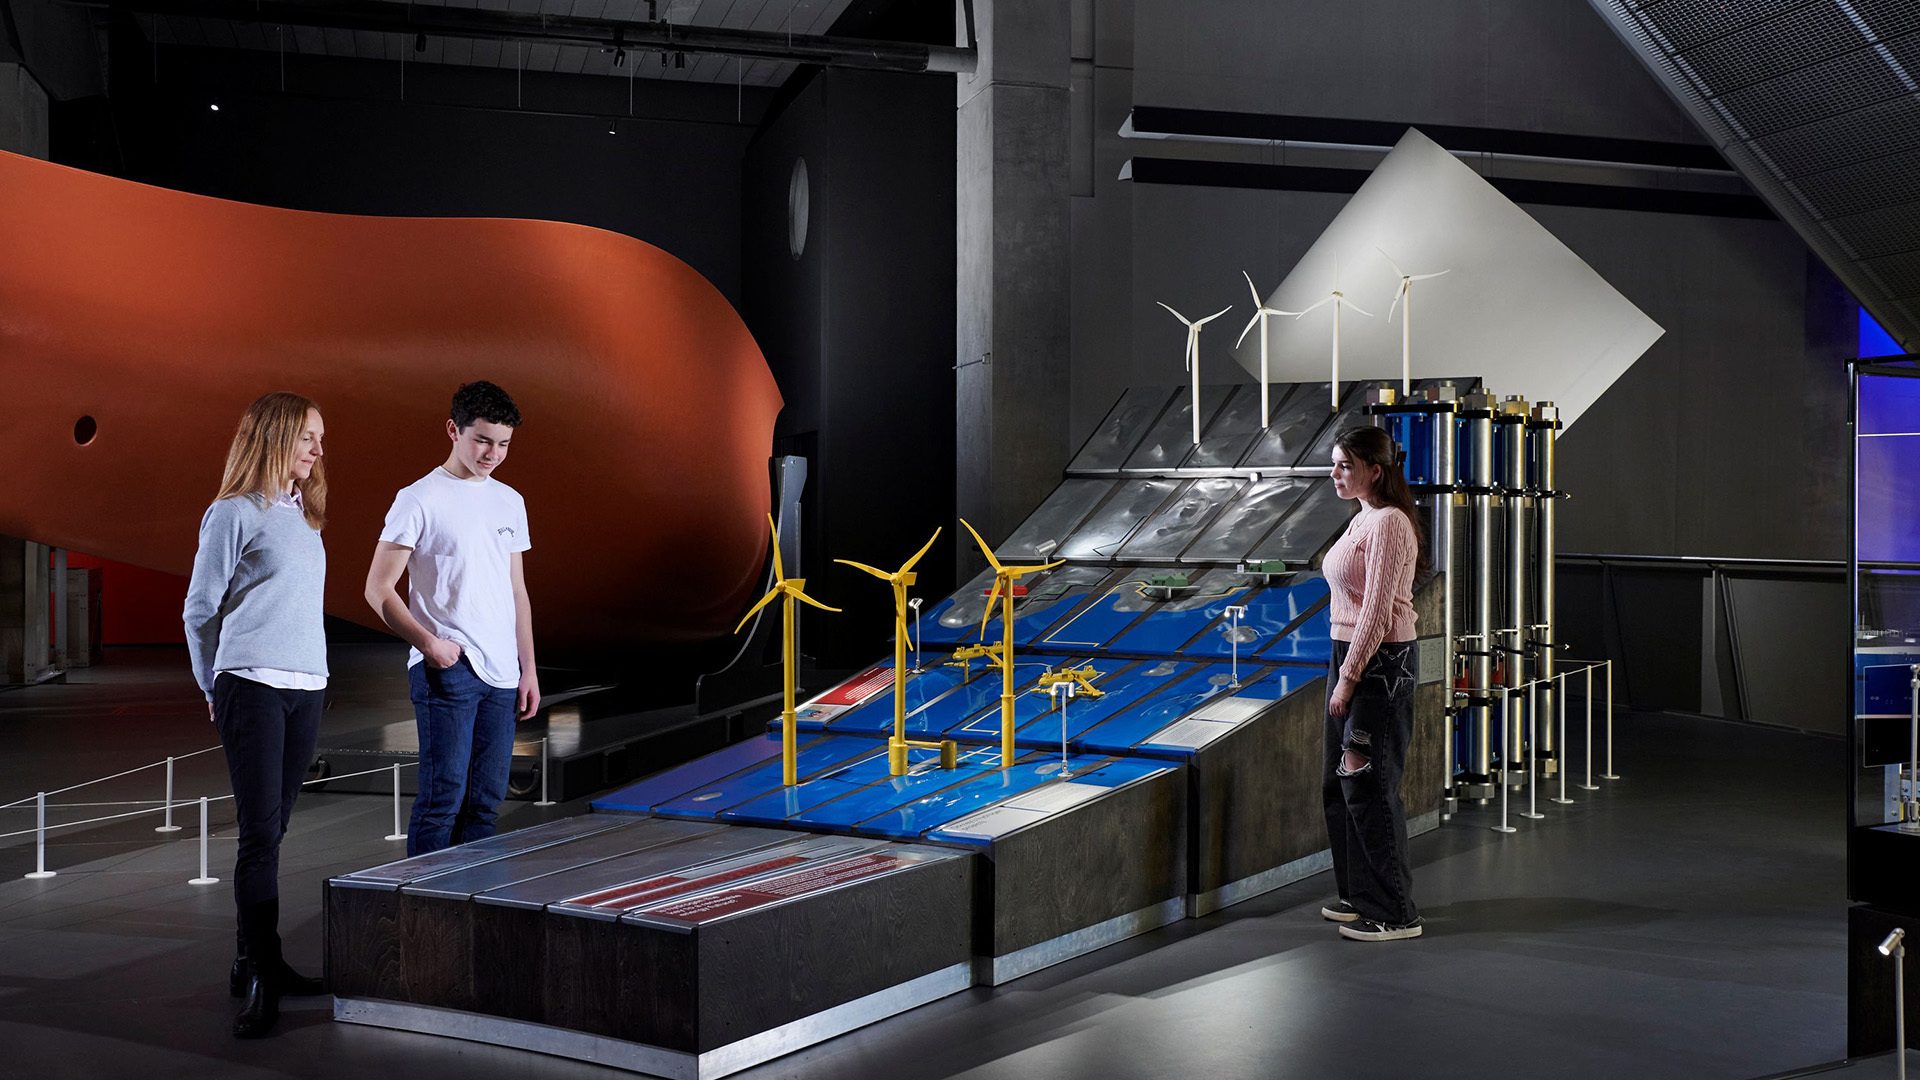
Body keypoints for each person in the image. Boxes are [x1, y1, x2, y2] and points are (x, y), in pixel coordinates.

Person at [182, 392, 332, 1038]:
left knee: (274, 832)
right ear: (273, 439)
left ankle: (253, 959)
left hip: (307, 686)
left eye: (320, 438)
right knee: (258, 837)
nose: (318, 450)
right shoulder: (232, 514)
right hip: (251, 684)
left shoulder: (305, 517)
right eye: (307, 438)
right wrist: (214, 683)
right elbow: (199, 610)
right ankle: (265, 977)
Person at [364, 380, 538, 858]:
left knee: (485, 802)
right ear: (453, 430)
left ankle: (473, 907)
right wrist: (429, 644)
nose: (492, 453)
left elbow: (516, 590)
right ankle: (426, 917)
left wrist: (529, 669)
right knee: (444, 799)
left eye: (503, 444)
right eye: (482, 439)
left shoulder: (510, 501)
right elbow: (377, 589)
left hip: (503, 674)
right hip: (450, 668)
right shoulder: (418, 498)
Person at [1319, 424, 1427, 942]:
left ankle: (1395, 912)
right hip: (1352, 654)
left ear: (1375, 471)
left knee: (1368, 784)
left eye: (1345, 465)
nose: (1335, 474)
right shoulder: (1362, 519)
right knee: (1339, 784)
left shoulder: (1388, 523)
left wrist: (1347, 678)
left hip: (1379, 663)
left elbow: (1379, 613)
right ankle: (1359, 894)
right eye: (1334, 464)